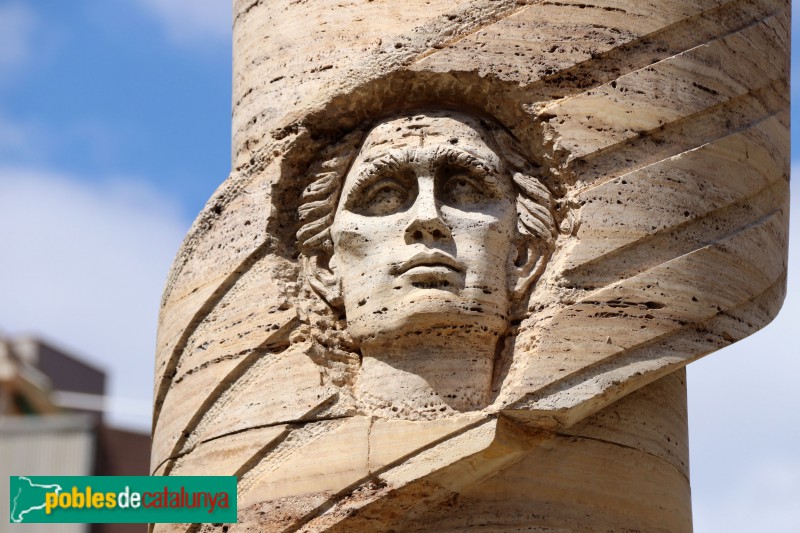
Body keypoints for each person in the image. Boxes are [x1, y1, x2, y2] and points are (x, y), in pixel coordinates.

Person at [296, 109, 557, 419]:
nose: (427, 219)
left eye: (465, 190)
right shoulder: (226, 468)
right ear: (326, 266)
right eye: (385, 196)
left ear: (523, 255)